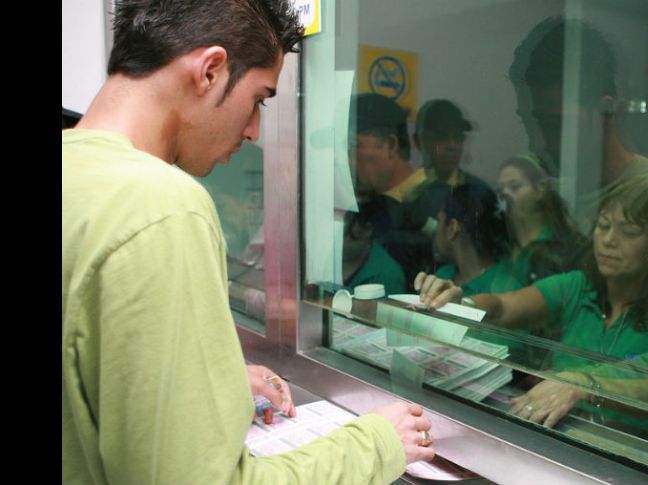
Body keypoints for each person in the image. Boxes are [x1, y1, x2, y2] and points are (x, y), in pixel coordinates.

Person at [62, 2, 434, 485]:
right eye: (259, 98)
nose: (255, 129)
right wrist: (377, 443)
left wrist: (214, 386)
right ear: (210, 69)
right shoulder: (161, 208)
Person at [414, 166, 648, 440]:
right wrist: (461, 301)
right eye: (603, 226)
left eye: (628, 231)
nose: (608, 240)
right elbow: (503, 308)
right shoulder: (578, 287)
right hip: (564, 442)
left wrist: (582, 386)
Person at [507, 15, 648, 220]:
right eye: (528, 123)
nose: (537, 144)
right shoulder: (548, 196)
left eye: (556, 125)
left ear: (605, 110)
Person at [349, 92, 435, 284]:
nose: (349, 160)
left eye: (355, 146)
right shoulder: (372, 207)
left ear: (390, 145)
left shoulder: (435, 203)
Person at [493, 154, 586, 292]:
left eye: (515, 186)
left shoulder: (567, 249)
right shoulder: (497, 245)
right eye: (500, 190)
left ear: (540, 189)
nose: (505, 194)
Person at [409, 99, 492, 239]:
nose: (452, 146)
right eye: (442, 137)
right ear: (418, 141)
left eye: (458, 137)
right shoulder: (405, 197)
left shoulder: (480, 192)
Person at [432, 184, 508, 295]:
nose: (435, 230)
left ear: (452, 228)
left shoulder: (502, 287)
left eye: (439, 220)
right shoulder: (443, 275)